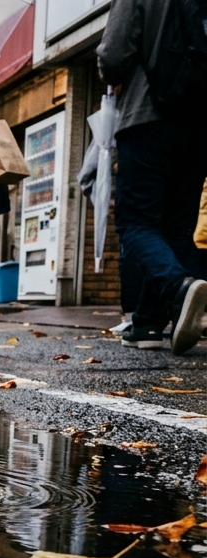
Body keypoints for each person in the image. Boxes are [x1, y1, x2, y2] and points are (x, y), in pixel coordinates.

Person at [99, 0, 207, 353]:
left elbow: (112, 56)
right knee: (176, 228)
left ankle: (179, 287)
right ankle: (146, 323)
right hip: (197, 126)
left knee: (136, 223)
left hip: (146, 116)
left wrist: (114, 75)